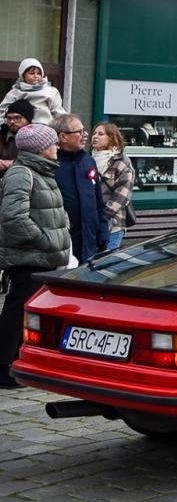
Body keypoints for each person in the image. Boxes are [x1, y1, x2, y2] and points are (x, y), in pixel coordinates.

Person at [0, 123, 72, 387]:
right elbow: (13, 217)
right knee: (17, 311)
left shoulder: (42, 171)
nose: (57, 147)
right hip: (30, 257)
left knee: (27, 312)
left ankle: (18, 362)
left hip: (44, 256)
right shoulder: (22, 174)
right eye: (52, 143)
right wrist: (47, 241)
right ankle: (3, 366)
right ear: (41, 148)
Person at [52, 114, 106, 260]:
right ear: (63, 137)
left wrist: (102, 232)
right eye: (80, 132)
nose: (85, 136)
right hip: (61, 245)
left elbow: (98, 201)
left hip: (88, 242)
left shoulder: (88, 161)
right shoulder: (51, 164)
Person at [91, 121, 135, 251]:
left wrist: (102, 216)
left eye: (100, 134)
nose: (95, 137)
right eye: (94, 133)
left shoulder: (121, 161)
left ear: (111, 138)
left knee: (107, 261)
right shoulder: (88, 159)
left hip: (113, 224)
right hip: (91, 224)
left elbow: (122, 195)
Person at [1, 59, 65, 125]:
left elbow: (58, 112)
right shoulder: (15, 92)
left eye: (39, 73)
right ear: (23, 75)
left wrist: (64, 126)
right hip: (20, 129)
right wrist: (4, 125)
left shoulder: (51, 91)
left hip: (45, 127)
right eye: (32, 73)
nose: (36, 76)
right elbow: (2, 110)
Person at [0, 99, 32, 171]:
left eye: (17, 118)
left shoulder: (37, 138)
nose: (12, 121)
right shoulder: (2, 135)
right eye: (9, 118)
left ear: (28, 119)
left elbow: (41, 162)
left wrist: (13, 163)